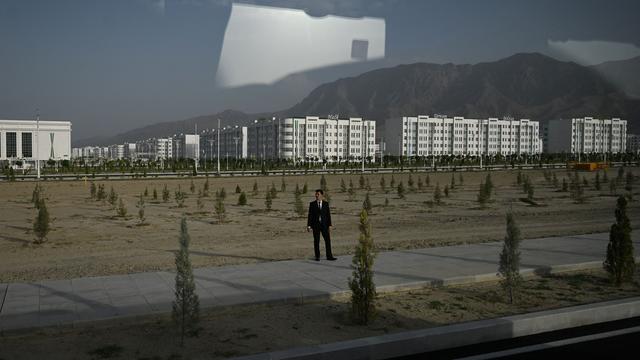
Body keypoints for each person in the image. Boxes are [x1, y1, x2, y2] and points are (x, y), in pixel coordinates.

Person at [307, 189, 337, 261]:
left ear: (322, 195)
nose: (316, 195)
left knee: (327, 240)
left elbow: (328, 215)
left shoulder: (326, 204)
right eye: (316, 194)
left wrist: (330, 225)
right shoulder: (312, 204)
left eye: (318, 194)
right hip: (316, 225)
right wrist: (309, 225)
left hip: (324, 225)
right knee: (316, 241)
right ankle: (317, 256)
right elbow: (310, 215)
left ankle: (329, 256)